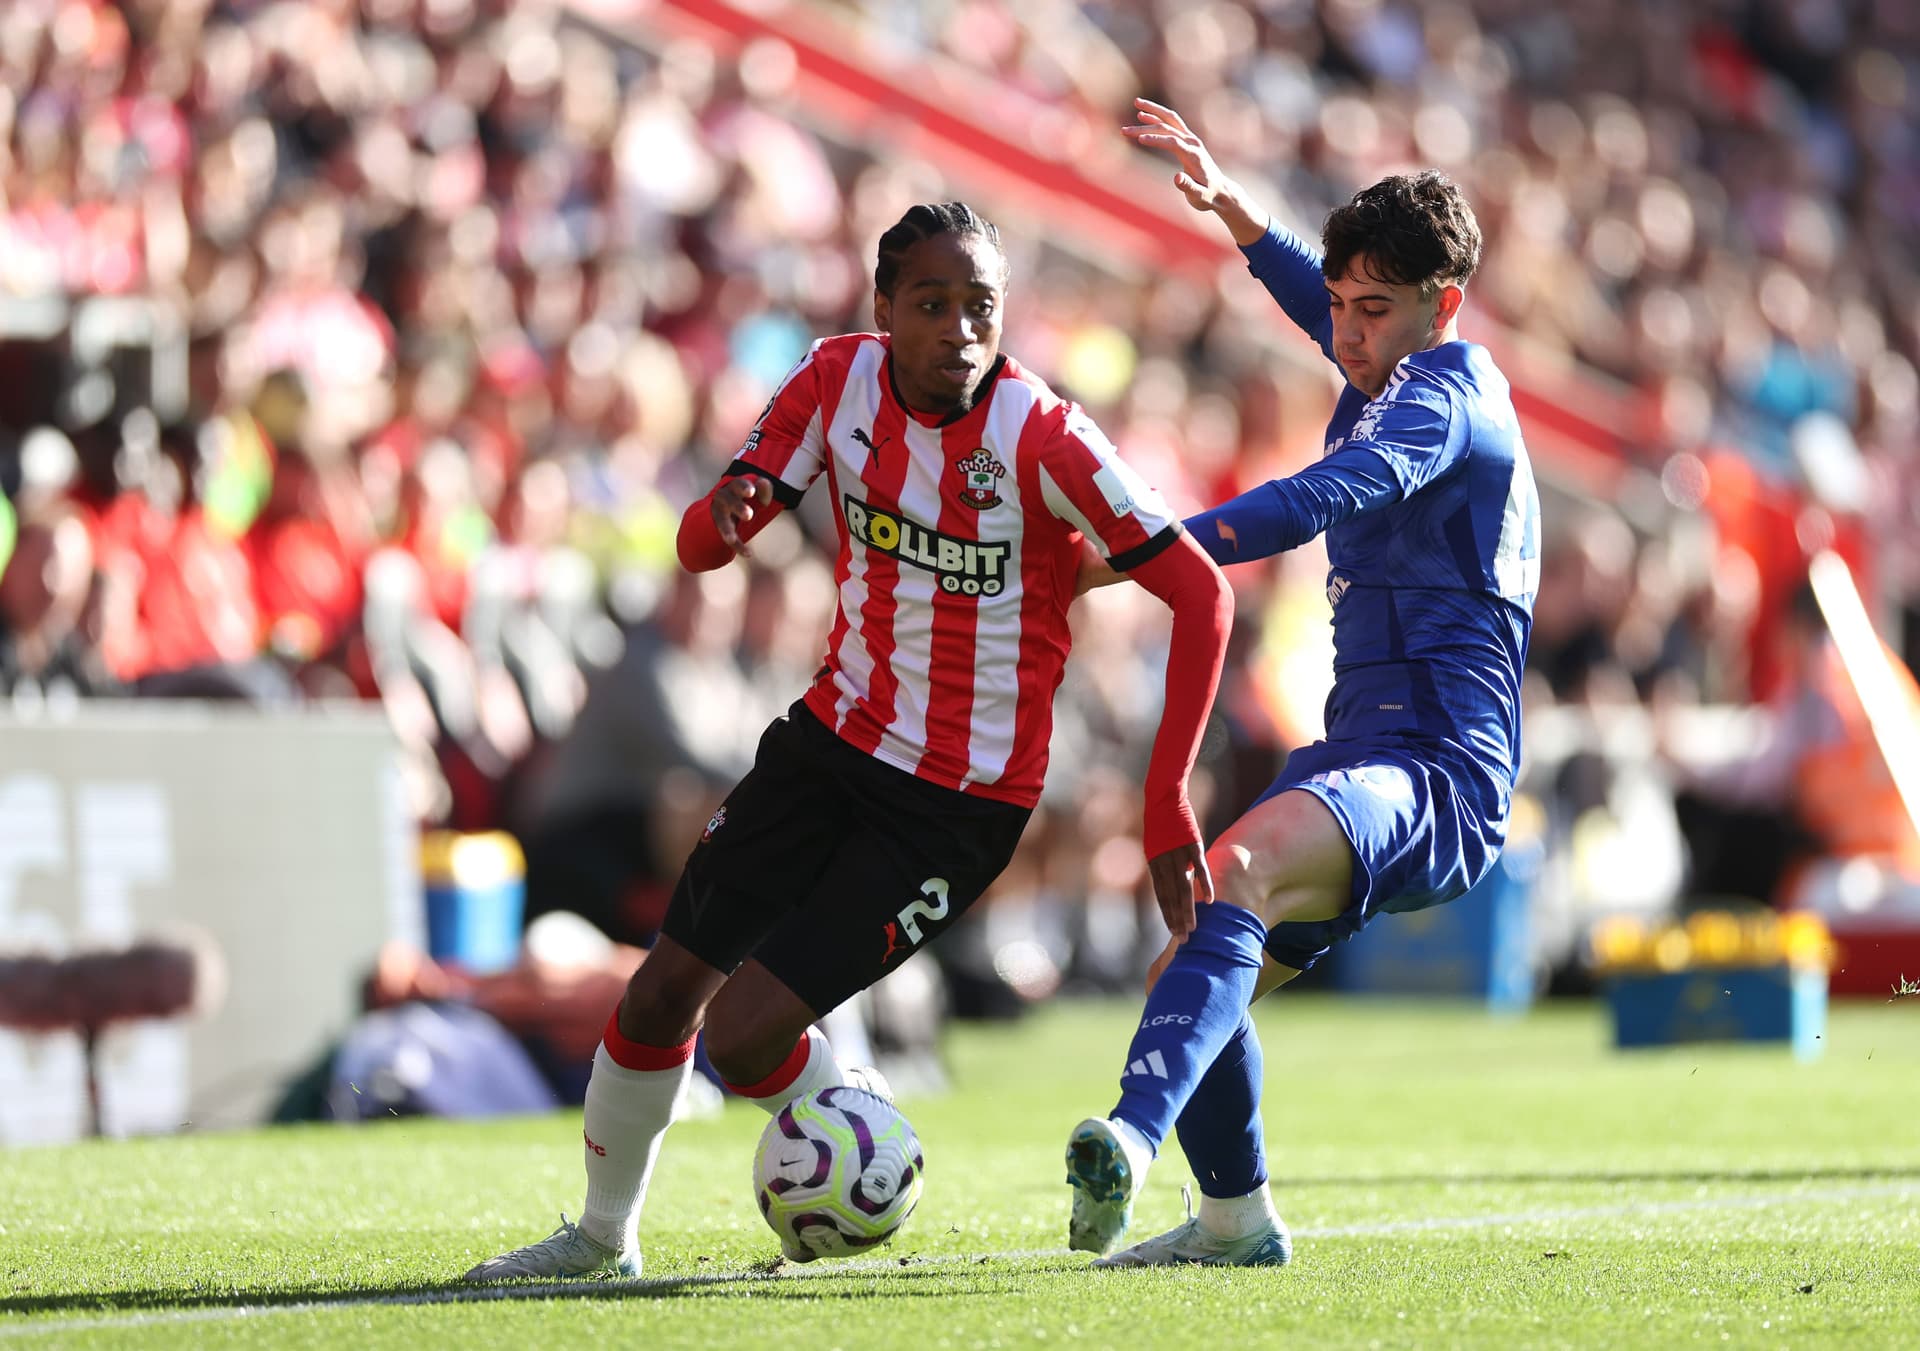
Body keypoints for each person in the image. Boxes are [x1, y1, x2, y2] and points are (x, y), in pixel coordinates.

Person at [463, 201, 1234, 1280]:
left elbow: (1200, 593)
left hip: (956, 805)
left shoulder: (1042, 436)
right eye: (932, 304)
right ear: (883, 308)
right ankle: (600, 1238)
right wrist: (721, 520)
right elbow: (700, 541)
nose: (961, 329)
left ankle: (859, 1136)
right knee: (656, 995)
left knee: (739, 1035)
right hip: (827, 744)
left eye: (982, 307)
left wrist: (1167, 802)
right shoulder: (836, 381)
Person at [1062, 101, 1540, 1268]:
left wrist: (1153, 545)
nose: (1348, 333)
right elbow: (1315, 300)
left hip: (1435, 771)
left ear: (1446, 306)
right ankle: (1233, 1221)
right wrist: (1239, 214)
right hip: (1362, 755)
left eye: (1373, 309)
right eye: (1340, 306)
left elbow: (1325, 494)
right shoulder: (1395, 365)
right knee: (1195, 954)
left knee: (1236, 871)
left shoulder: (1443, 402)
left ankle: (1128, 1134)